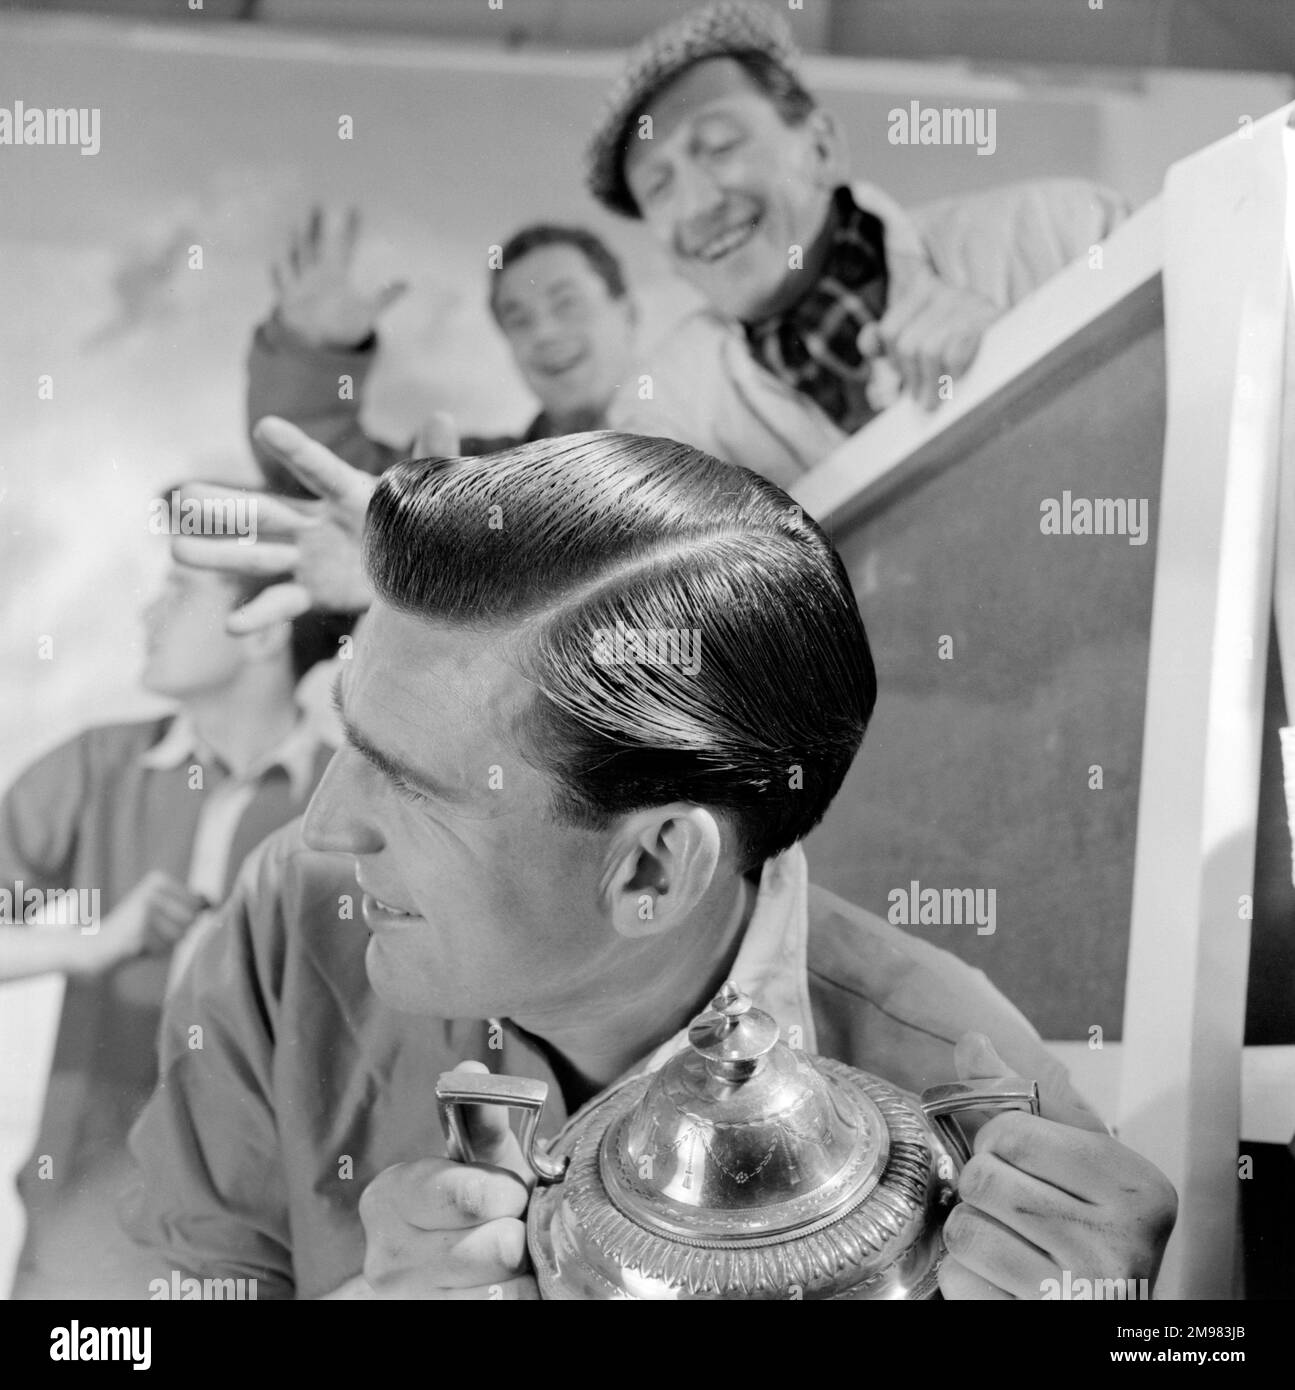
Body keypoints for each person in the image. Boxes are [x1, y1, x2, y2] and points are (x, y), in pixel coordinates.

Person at [128, 431, 1176, 1300]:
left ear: (652, 870)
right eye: (353, 738)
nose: (324, 825)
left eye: (412, 785)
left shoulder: (981, 1108)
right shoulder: (287, 921)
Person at [1, 518, 351, 1299]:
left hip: (281, 1242)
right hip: (84, 1231)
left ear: (260, 631)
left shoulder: (351, 802)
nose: (147, 614)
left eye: (180, 591)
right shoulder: (98, 767)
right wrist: (83, 944)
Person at [587, 0, 1128, 484]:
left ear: (821, 147)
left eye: (720, 145)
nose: (698, 205)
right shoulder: (664, 416)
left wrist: (1022, 356)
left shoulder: (1065, 231)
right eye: (659, 187)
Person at [247, 210, 638, 495]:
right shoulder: (478, 480)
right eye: (518, 319)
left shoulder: (699, 442)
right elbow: (329, 474)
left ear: (628, 312)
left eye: (566, 302)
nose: (545, 333)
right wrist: (314, 353)